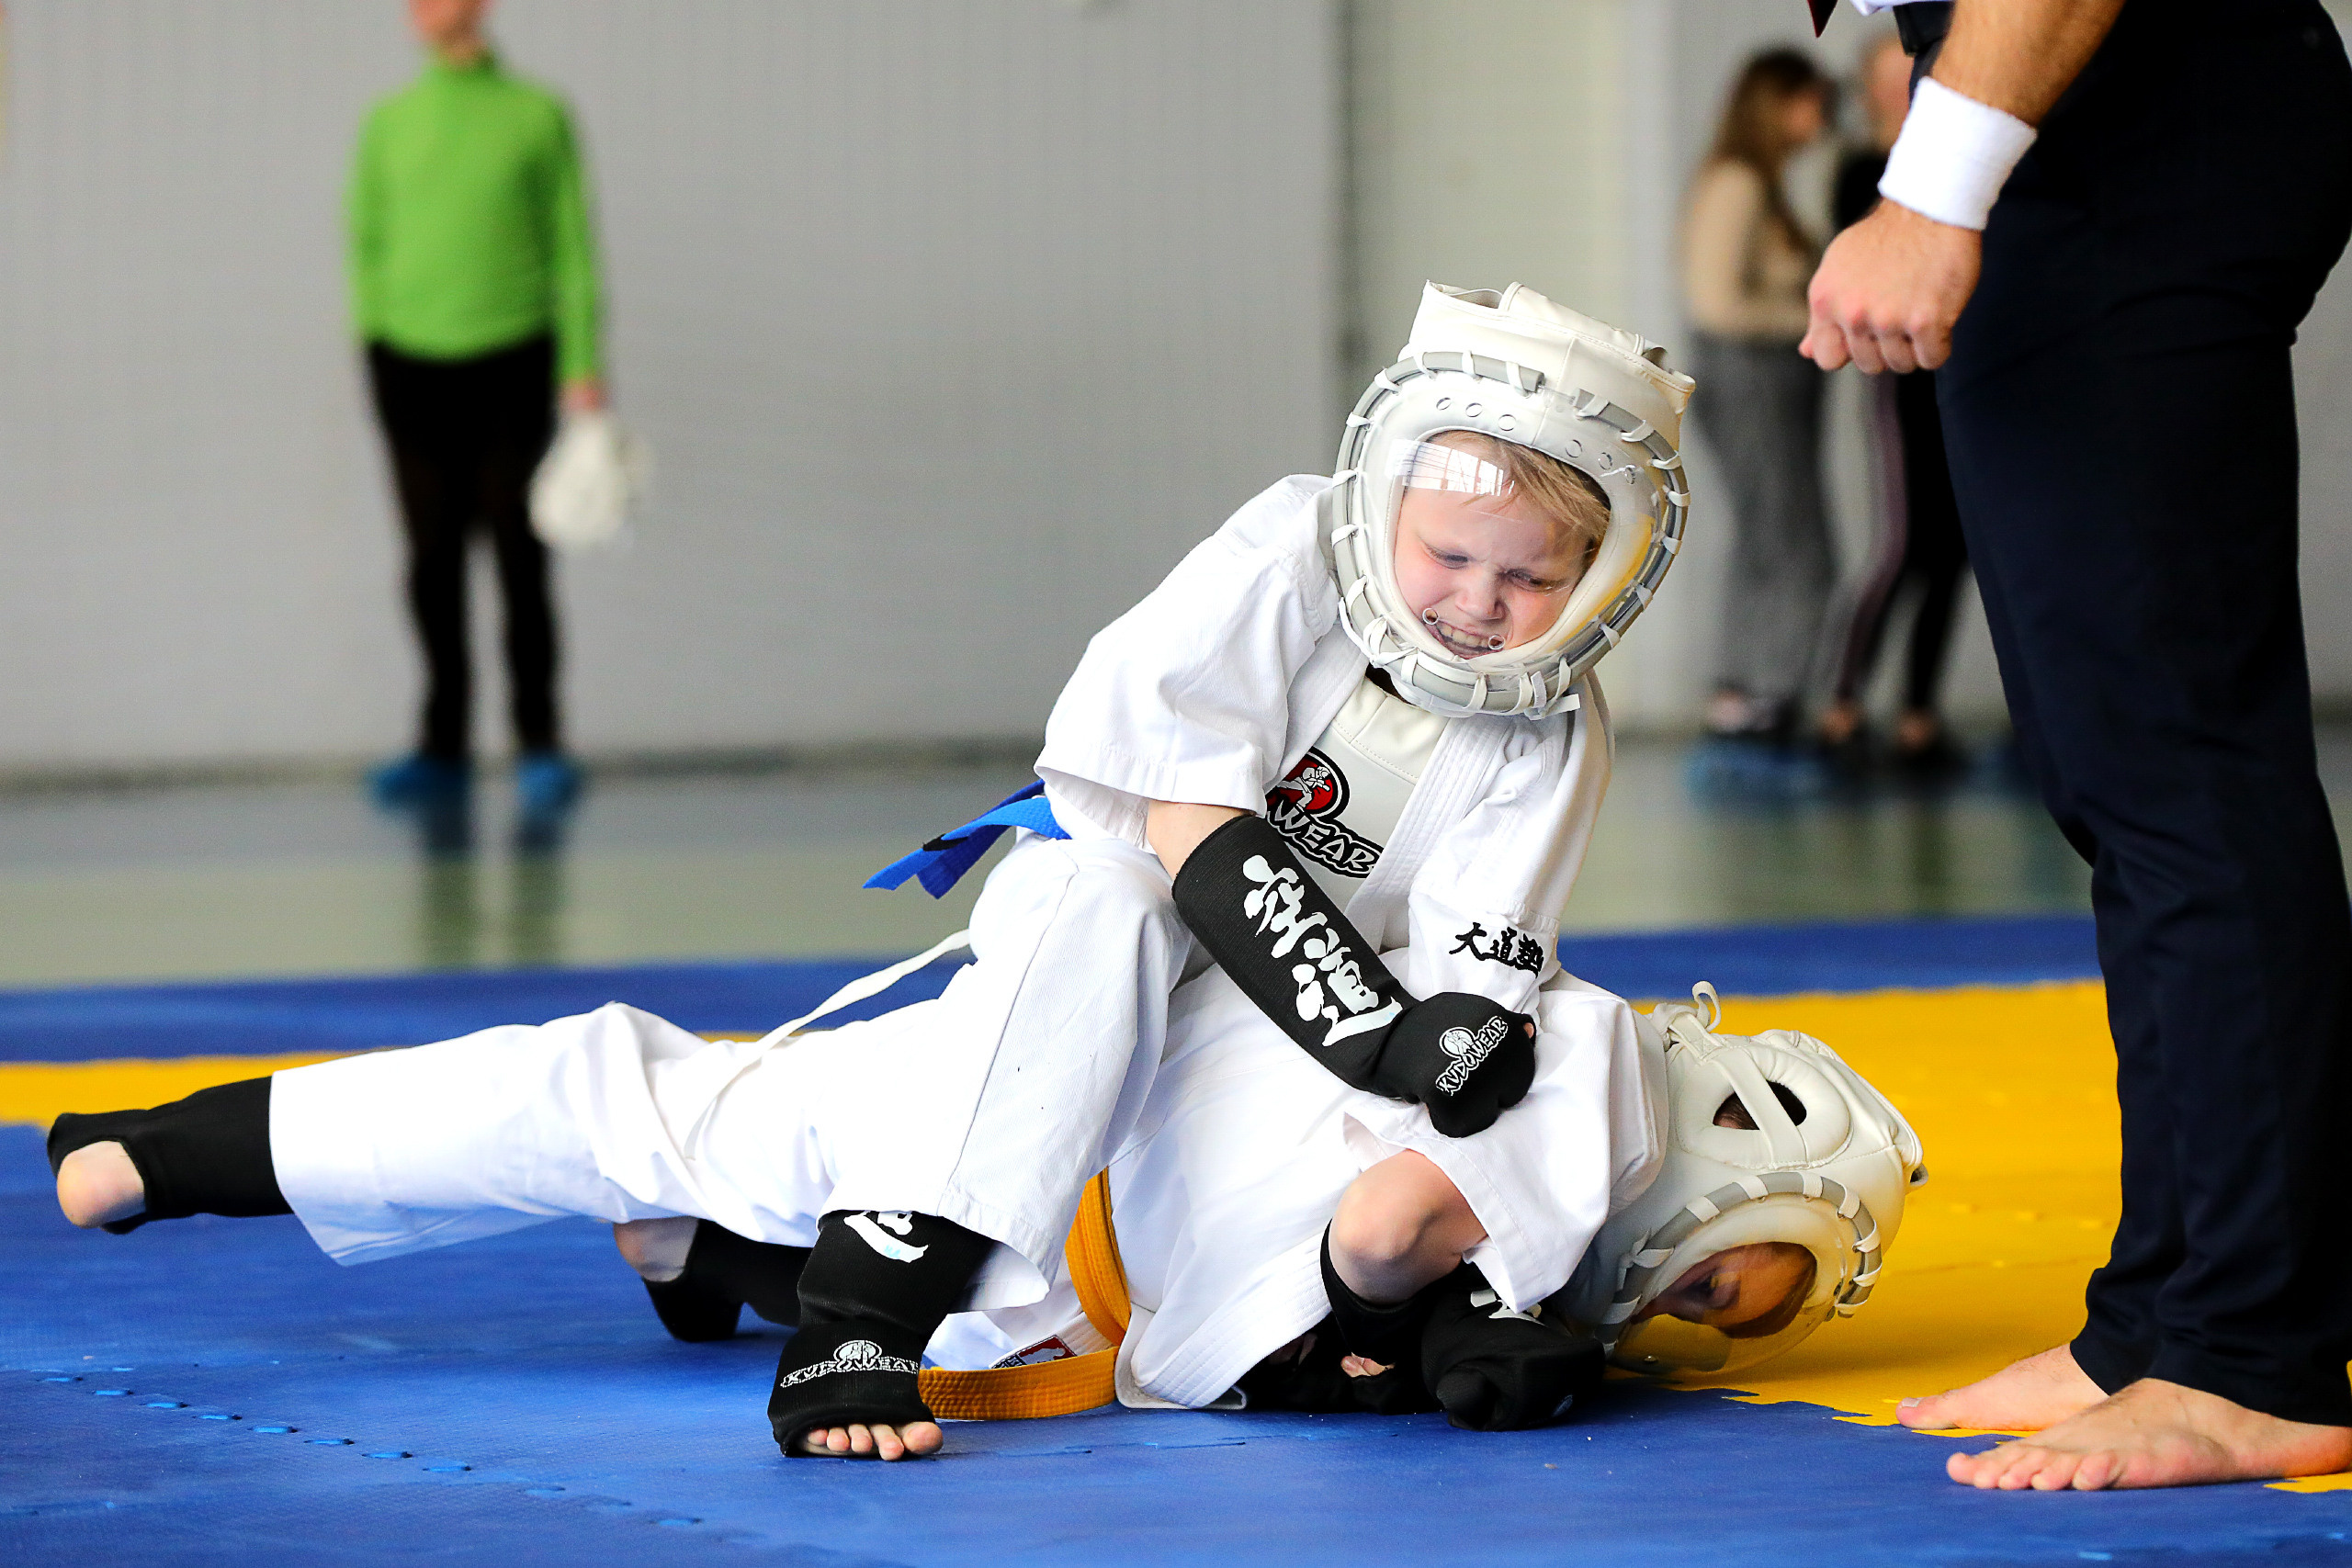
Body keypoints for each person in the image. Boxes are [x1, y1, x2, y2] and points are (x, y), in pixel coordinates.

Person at [55, 281, 1716, 1461]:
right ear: (1379, 498)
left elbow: (1483, 990)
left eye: (1528, 575)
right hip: (1058, 1010)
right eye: (1448, 553)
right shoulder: (1284, 551)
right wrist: (1377, 1034)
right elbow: (1183, 826)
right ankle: (189, 1149)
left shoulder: (1550, 730)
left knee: (987, 1258)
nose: (1477, 603)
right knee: (954, 965)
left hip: (1221, 1086)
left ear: (1600, 577)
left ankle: (727, 1263)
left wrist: (1444, 1057)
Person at [48, 965, 1923, 1454]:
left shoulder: (1550, 1247)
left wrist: (1449, 1334)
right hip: (1011, 1120)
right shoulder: (1559, 1057)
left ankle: (724, 1269)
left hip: (1051, 1291)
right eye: (1736, 1282)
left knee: (736, 1194)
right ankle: (166, 1149)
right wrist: (1436, 1312)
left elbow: (1361, 1296)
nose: (1704, 1317)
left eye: (1736, 1323)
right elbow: (1381, 1224)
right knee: (613, 1101)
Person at [1803, 0, 2352, 1489]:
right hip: (2087, 138)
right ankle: (2165, 1315)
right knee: (2121, 776)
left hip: (2131, 128)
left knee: (2180, 769)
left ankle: (2250, 1353)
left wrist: (1930, 186)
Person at [353, 0, 605, 817]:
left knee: (518, 554)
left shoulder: (536, 114)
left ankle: (540, 741)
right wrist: (378, 336)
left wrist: (583, 362)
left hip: (514, 357)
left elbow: (573, 245)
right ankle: (442, 744)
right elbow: (364, 239)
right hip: (409, 364)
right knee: (431, 557)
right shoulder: (390, 123)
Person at [1815, 33, 1971, 774]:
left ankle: (1918, 712)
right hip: (1901, 385)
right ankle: (1841, 703)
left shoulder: (1948, 168)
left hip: (1961, 374)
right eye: (1888, 77)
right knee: (1904, 545)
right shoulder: (1862, 171)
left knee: (1953, 554)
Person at [1680, 49, 1836, 749]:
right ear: (1778, 103)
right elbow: (1716, 305)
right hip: (1751, 380)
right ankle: (1763, 696)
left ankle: (1747, 691)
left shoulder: (1765, 183)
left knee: (1770, 538)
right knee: (1791, 544)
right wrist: (1815, 321)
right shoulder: (1738, 182)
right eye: (1812, 99)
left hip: (1771, 382)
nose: (1823, 115)